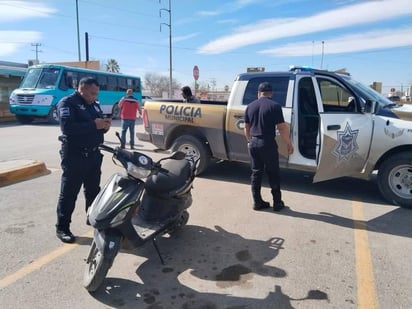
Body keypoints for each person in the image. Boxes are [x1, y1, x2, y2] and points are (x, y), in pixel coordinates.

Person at [55, 77, 111, 243]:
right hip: (75, 155)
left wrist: (104, 126)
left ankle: (92, 218)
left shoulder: (94, 103)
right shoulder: (67, 103)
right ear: (81, 89)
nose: (94, 96)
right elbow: (68, 128)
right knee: (69, 193)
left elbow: (98, 125)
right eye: (92, 93)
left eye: (96, 93)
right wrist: (94, 125)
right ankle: (62, 227)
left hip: (94, 155)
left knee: (93, 190)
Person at [244, 82, 294, 212]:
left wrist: (250, 141)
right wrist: (289, 143)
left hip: (253, 143)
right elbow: (282, 128)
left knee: (256, 173)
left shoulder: (250, 106)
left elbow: (246, 127)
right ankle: (277, 203)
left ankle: (257, 202)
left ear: (258, 93)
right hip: (267, 143)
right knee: (273, 173)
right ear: (271, 93)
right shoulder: (275, 106)